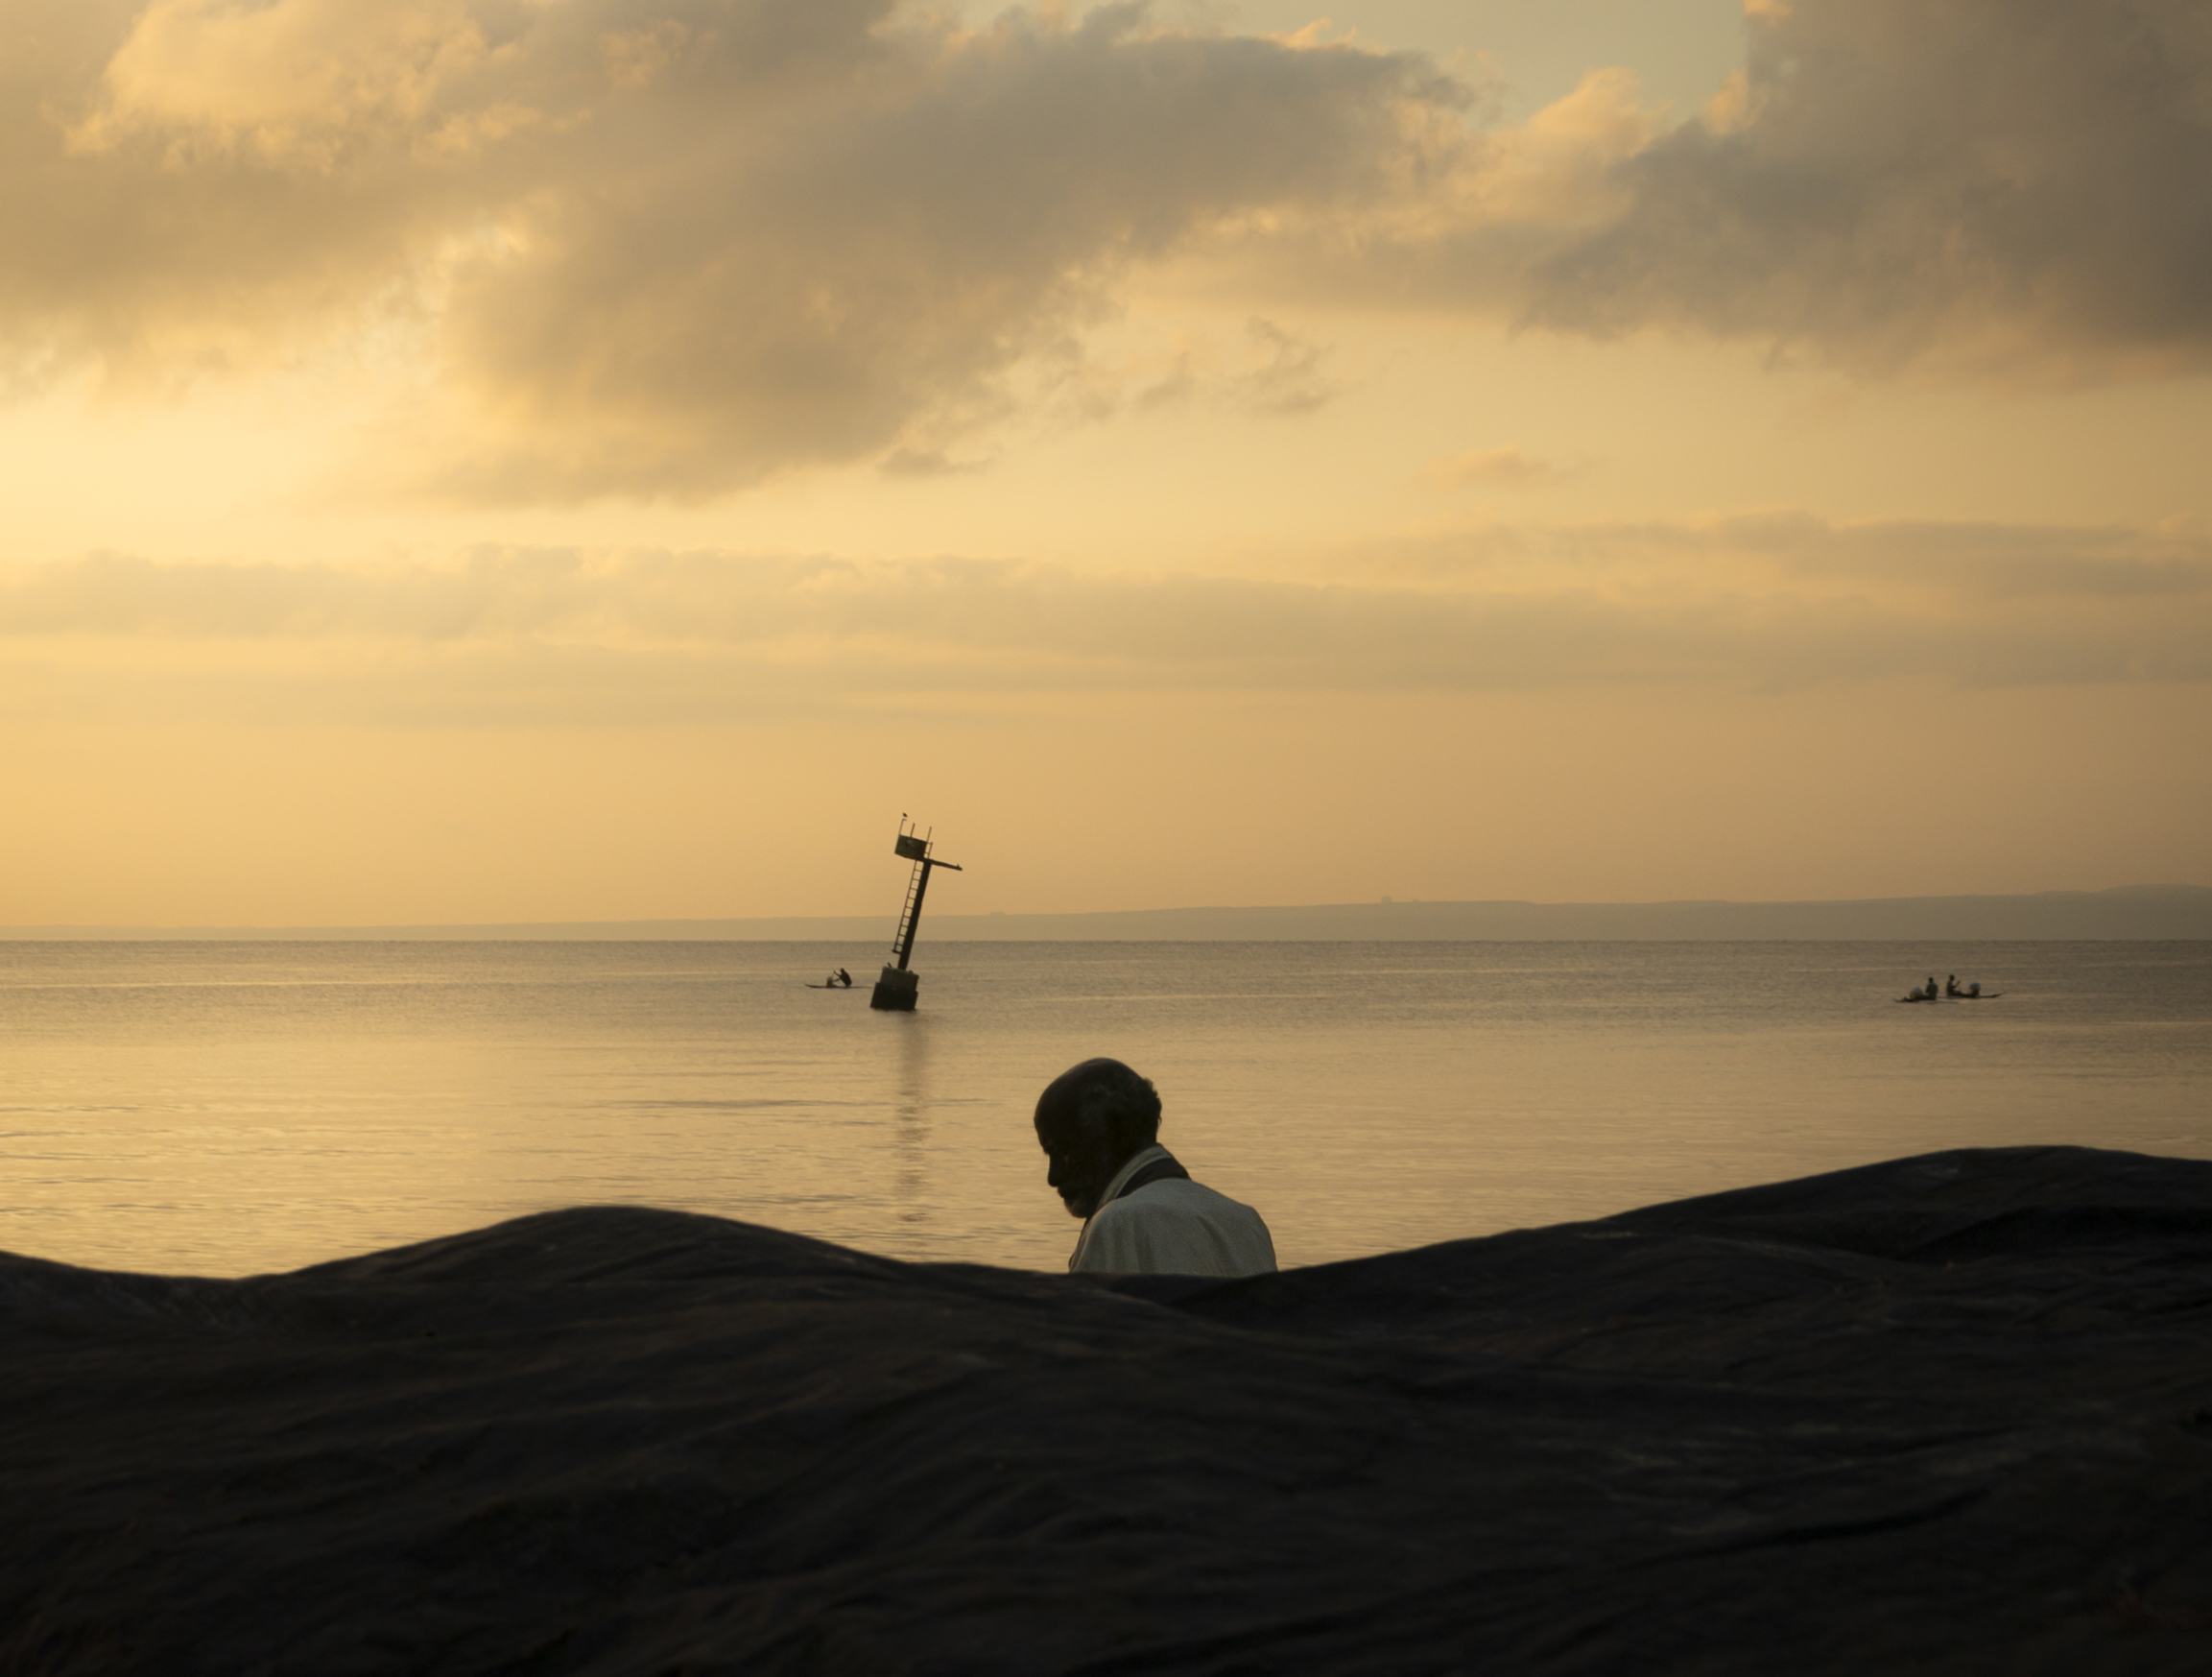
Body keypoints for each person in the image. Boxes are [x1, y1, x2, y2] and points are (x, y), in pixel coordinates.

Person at [1033, 1057, 1276, 1278]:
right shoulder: (1246, 1220)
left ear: (1116, 1132)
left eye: (1062, 1152)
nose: (1053, 1177)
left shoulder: (1116, 1226)